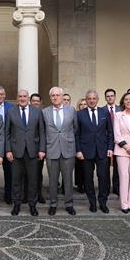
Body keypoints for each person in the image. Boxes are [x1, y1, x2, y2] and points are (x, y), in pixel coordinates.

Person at [6, 89, 46, 216]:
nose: (22, 98)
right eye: (20, 96)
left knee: (33, 180)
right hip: (16, 152)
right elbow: (7, 133)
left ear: (28, 98)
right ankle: (16, 205)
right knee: (16, 180)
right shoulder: (11, 112)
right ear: (17, 98)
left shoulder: (37, 112)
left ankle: (32, 205)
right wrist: (8, 150)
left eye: (25, 96)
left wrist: (42, 149)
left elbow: (42, 132)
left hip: (33, 152)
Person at [75, 90, 113, 214]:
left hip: (102, 151)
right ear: (86, 100)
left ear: (97, 99)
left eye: (94, 98)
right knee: (88, 179)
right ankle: (92, 202)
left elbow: (110, 132)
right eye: (89, 98)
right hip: (86, 152)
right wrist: (78, 150)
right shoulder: (79, 114)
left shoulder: (104, 112)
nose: (91, 100)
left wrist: (110, 148)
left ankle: (103, 202)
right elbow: (76, 134)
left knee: (103, 178)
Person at [42, 87, 78, 216]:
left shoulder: (71, 110)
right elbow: (43, 131)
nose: (55, 97)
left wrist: (67, 139)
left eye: (57, 95)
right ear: (50, 97)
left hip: (68, 150)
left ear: (62, 97)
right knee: (52, 180)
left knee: (68, 179)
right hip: (52, 150)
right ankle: (53, 204)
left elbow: (75, 128)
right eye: (53, 95)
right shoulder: (45, 112)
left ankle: (69, 204)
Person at [103, 88, 121, 197]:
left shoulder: (121, 109)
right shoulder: (101, 110)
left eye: (112, 96)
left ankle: (116, 187)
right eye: (108, 96)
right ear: (105, 98)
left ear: (115, 97)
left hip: (119, 142)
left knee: (117, 166)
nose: (110, 97)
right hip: (105, 142)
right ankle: (106, 187)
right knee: (105, 166)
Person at [29, 93, 46, 203]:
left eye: (37, 101)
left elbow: (43, 133)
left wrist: (42, 149)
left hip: (38, 149)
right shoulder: (26, 112)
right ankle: (26, 195)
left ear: (40, 103)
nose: (35, 102)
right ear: (30, 102)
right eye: (33, 100)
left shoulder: (43, 114)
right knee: (26, 174)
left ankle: (38, 194)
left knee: (38, 174)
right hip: (26, 149)